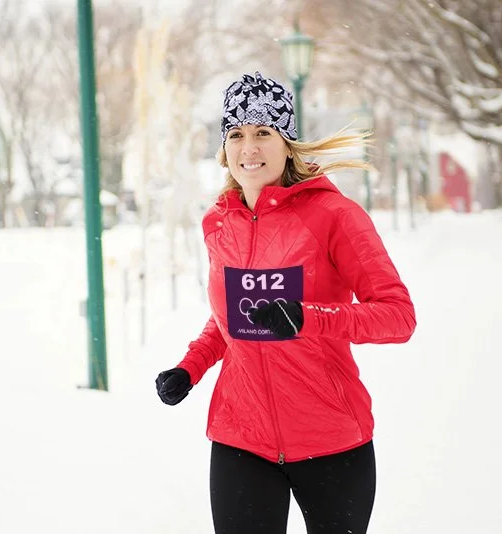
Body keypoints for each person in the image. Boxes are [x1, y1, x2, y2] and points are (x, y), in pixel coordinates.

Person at [155, 71, 416, 534]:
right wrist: (190, 367)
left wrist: (306, 318)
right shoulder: (219, 224)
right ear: (224, 148)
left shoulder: (335, 216)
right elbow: (230, 318)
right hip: (241, 437)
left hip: (332, 440)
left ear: (287, 141)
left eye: (262, 133)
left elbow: (397, 317)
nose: (248, 148)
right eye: (236, 134)